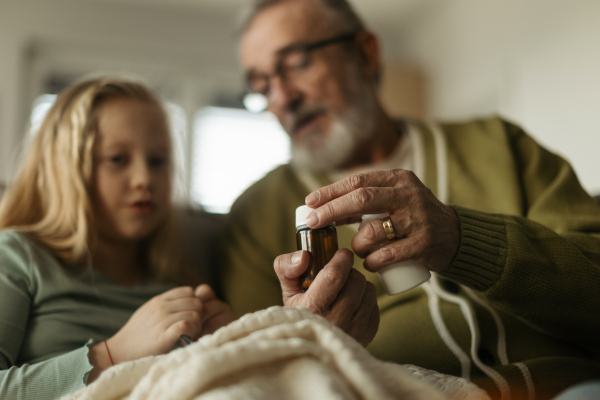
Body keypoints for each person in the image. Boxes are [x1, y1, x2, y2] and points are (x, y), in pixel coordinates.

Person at [222, 0, 600, 399]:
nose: (281, 97)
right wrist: (311, 341)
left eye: (297, 63)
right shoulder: (253, 215)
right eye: (261, 85)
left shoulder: (502, 145)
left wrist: (462, 237)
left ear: (365, 52)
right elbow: (257, 374)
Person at [0, 77, 236, 399]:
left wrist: (226, 347)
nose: (144, 179)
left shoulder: (181, 283)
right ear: (67, 169)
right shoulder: (17, 256)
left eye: (157, 161)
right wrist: (112, 355)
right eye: (117, 159)